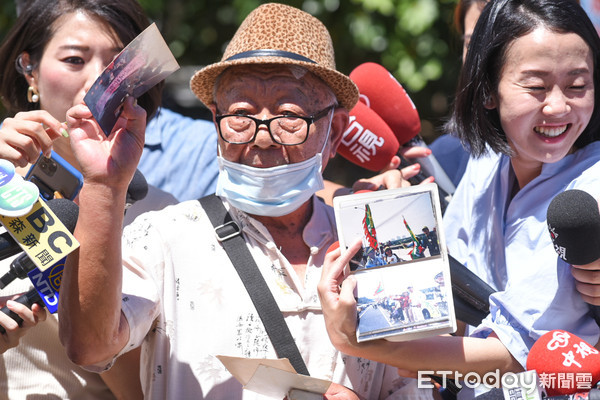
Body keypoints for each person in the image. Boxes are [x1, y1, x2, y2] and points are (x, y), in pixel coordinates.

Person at [58, 3, 431, 399]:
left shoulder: (374, 243)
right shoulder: (164, 237)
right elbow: (90, 347)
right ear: (216, 120)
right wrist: (103, 185)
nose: (263, 136)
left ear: (335, 132)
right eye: (240, 114)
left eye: (290, 114)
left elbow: (416, 386)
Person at [318, 0, 600, 397]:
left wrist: (363, 344)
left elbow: (511, 355)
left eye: (577, 85)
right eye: (536, 86)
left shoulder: (590, 191)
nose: (557, 106)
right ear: (487, 91)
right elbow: (449, 306)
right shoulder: (486, 164)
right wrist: (399, 221)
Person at [0, 0, 182, 398]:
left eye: (119, 65)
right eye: (74, 59)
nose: (98, 80)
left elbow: (142, 387)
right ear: (29, 69)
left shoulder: (163, 213)